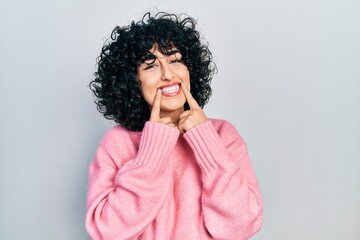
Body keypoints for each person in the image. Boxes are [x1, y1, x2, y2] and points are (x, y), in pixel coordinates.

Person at [86, 11, 263, 240]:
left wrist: (207, 142)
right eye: (151, 66)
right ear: (132, 81)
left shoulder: (222, 135)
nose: (168, 75)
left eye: (175, 60)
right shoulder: (118, 142)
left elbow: (241, 226)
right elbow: (108, 232)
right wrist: (152, 152)